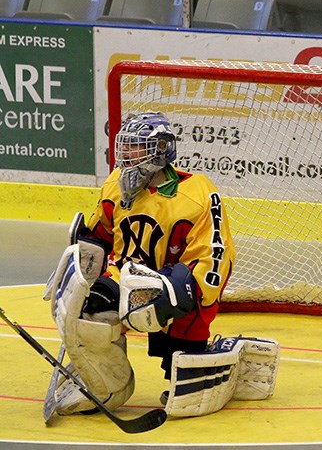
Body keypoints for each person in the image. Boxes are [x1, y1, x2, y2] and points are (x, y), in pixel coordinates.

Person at [47, 110, 237, 413]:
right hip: (125, 276)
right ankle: (108, 380)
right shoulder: (115, 185)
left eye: (136, 146)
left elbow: (214, 255)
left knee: (180, 361)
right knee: (90, 308)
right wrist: (85, 263)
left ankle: (197, 365)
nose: (126, 153)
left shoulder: (197, 194)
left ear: (161, 149)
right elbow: (100, 235)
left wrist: (184, 290)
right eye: (125, 145)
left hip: (172, 285)